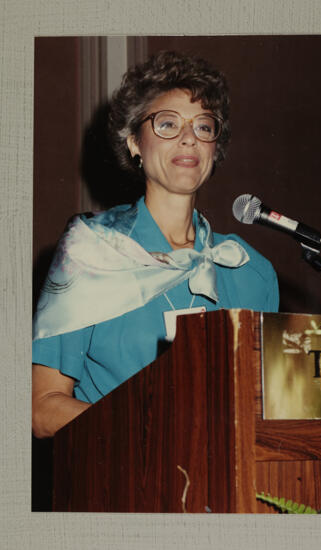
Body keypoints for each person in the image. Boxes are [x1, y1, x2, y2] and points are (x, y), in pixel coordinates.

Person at [32, 51, 279, 439]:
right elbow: (42, 407)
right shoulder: (90, 252)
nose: (188, 137)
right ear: (134, 142)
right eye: (167, 123)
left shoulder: (251, 270)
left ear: (215, 148)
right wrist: (148, 430)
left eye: (204, 126)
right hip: (122, 481)